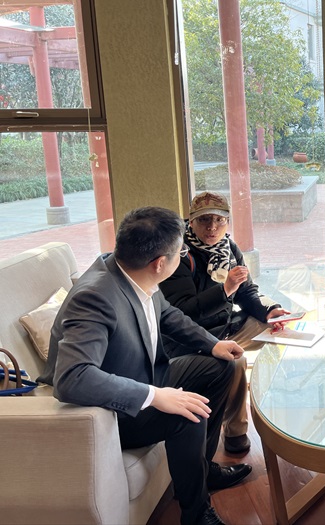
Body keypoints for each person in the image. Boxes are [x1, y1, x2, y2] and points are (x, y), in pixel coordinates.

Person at [38, 207, 251, 525]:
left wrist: (212, 344)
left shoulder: (131, 269)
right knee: (188, 412)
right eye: (181, 253)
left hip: (146, 374)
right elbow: (73, 377)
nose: (183, 256)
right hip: (114, 409)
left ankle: (202, 470)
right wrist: (154, 396)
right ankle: (196, 514)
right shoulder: (94, 298)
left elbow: (166, 314)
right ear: (160, 263)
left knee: (224, 366)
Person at [160, 191, 288, 455]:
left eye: (219, 220)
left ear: (227, 222)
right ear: (191, 221)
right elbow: (181, 313)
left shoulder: (228, 248)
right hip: (192, 339)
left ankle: (278, 407)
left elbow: (247, 292)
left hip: (225, 327)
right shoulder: (179, 254)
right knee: (236, 361)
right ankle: (235, 431)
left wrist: (269, 311)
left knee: (280, 329)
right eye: (204, 220)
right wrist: (225, 289)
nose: (212, 227)